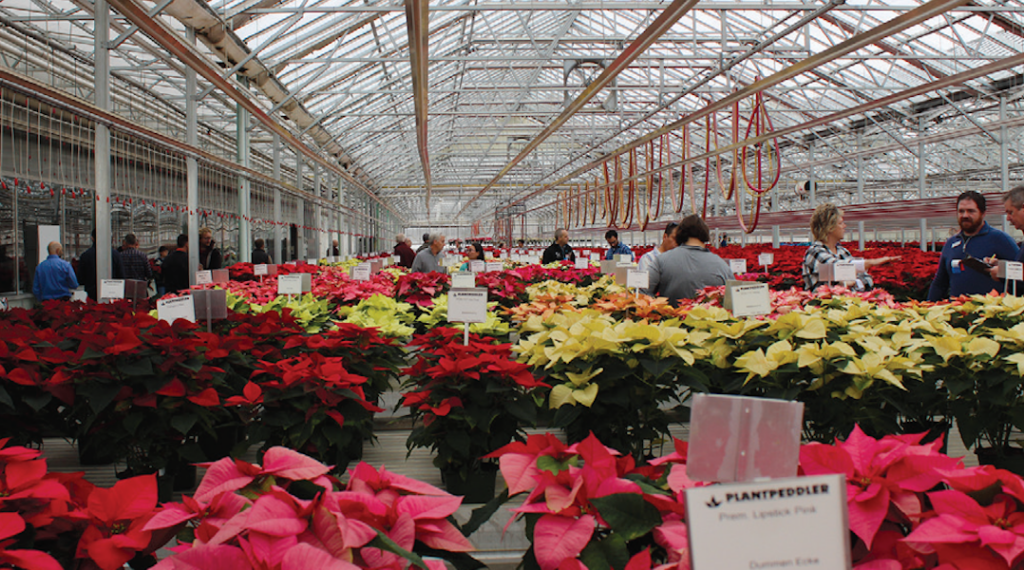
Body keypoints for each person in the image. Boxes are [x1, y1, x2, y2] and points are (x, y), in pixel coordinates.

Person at [927, 191, 1019, 300]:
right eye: (961, 211)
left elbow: (1019, 272)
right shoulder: (951, 243)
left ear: (983, 213)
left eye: (971, 211)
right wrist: (928, 305)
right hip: (957, 308)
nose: (965, 215)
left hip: (989, 308)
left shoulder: (1000, 239)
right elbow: (940, 282)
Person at [803, 203, 897, 291]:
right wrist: (871, 263)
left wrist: (853, 282)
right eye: (841, 223)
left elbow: (867, 278)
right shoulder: (814, 252)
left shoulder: (843, 251)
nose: (844, 226)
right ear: (830, 227)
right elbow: (835, 267)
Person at [645, 215, 734, 305]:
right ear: (705, 234)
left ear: (679, 235)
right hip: (712, 313)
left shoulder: (661, 261)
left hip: (673, 313)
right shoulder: (722, 265)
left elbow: (643, 292)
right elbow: (734, 300)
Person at [76, 229, 125, 301]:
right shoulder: (116, 255)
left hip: (92, 294)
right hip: (112, 293)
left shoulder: (85, 255)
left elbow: (80, 279)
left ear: (92, 238)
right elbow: (121, 276)